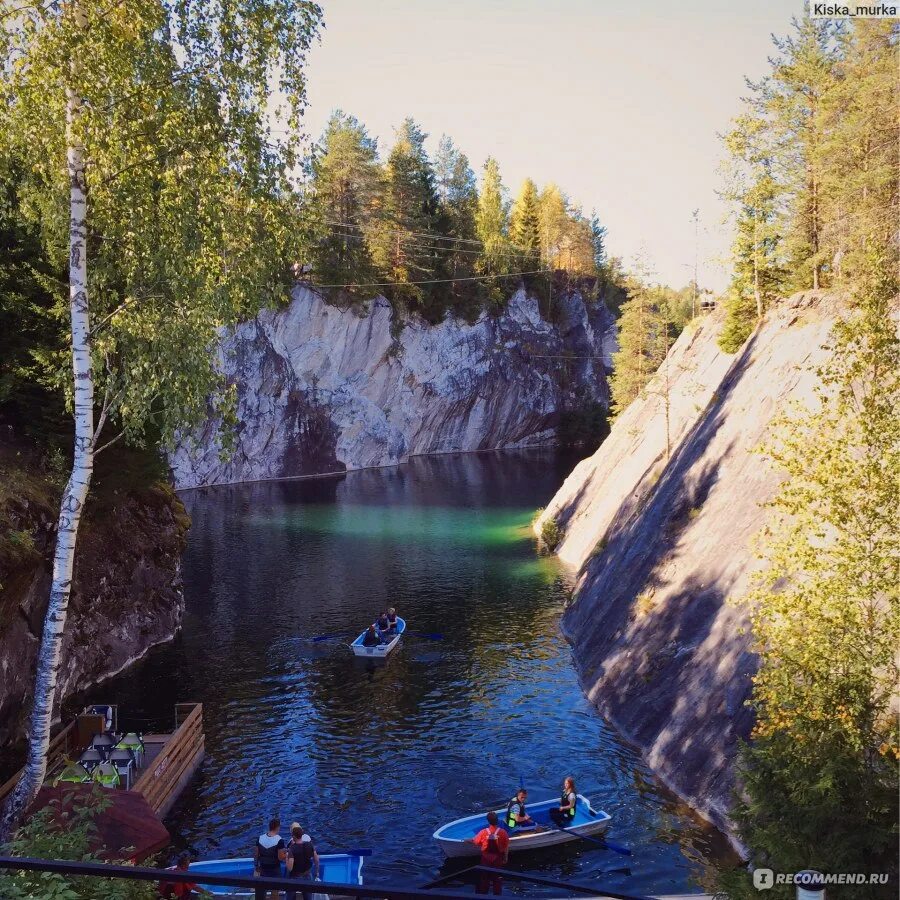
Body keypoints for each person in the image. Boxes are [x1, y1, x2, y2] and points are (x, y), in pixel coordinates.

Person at [466, 811, 509, 895]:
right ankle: (497, 895)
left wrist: (466, 840)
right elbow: (506, 846)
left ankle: (483, 895)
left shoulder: (483, 832)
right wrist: (506, 858)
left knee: (484, 878)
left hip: (485, 859)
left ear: (488, 821)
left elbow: (475, 841)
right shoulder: (503, 832)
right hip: (498, 859)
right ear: (497, 820)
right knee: (497, 879)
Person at [254, 817, 286, 900]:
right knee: (275, 891)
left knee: (262, 889)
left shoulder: (260, 838)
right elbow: (280, 857)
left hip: (263, 867)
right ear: (277, 827)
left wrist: (256, 865)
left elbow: (256, 854)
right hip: (275, 869)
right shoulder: (279, 840)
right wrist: (287, 854)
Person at [285, 824, 320, 900]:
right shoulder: (309, 845)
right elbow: (316, 859)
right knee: (308, 898)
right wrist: (317, 871)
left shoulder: (292, 849)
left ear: (293, 836)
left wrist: (286, 858)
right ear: (301, 835)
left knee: (289, 897)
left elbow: (290, 868)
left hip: (294, 877)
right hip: (307, 875)